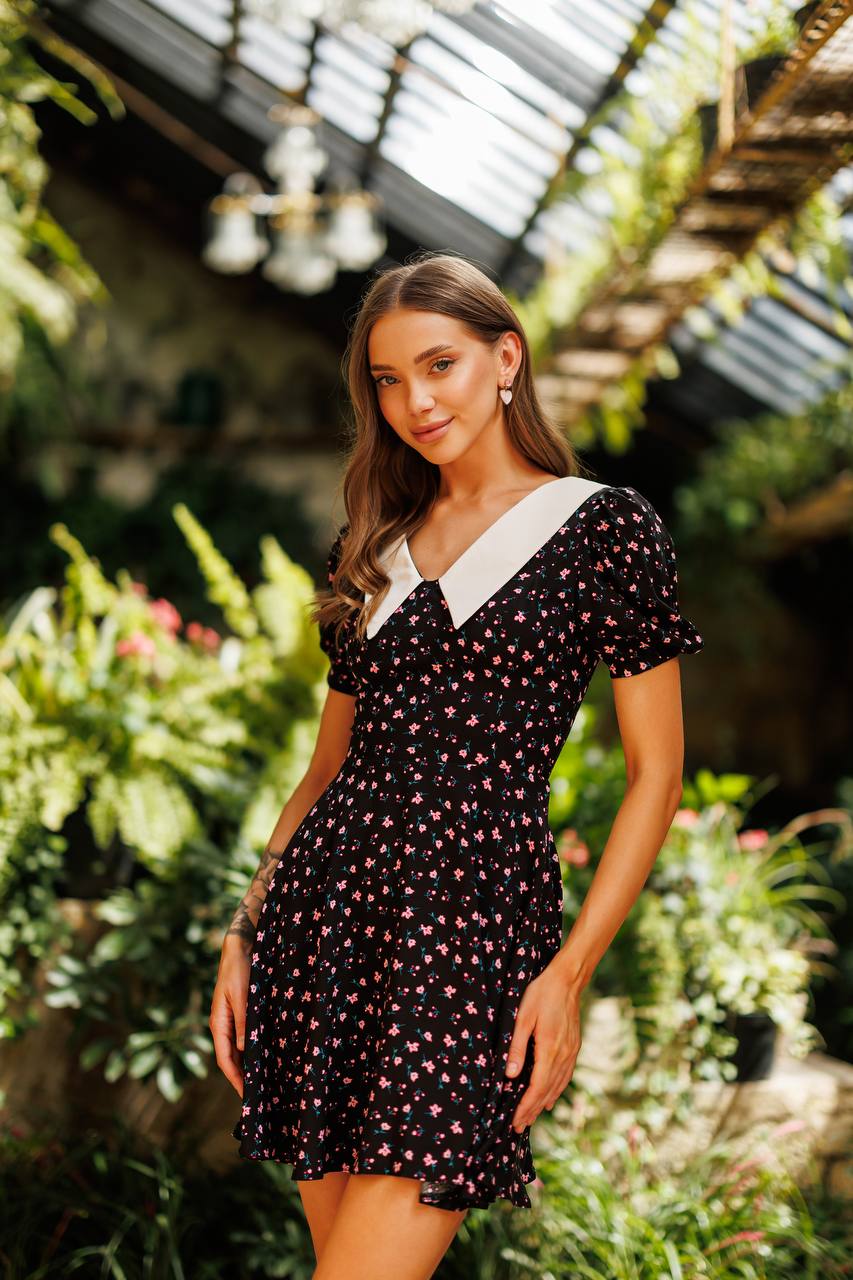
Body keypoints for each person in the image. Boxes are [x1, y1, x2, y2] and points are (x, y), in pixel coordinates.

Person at [209, 250, 705, 1280]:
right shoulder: (369, 544)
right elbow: (322, 772)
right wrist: (244, 926)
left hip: (470, 944)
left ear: (505, 357)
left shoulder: (602, 530)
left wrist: (567, 971)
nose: (414, 401)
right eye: (387, 381)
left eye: (437, 365)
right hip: (324, 934)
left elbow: (658, 774)